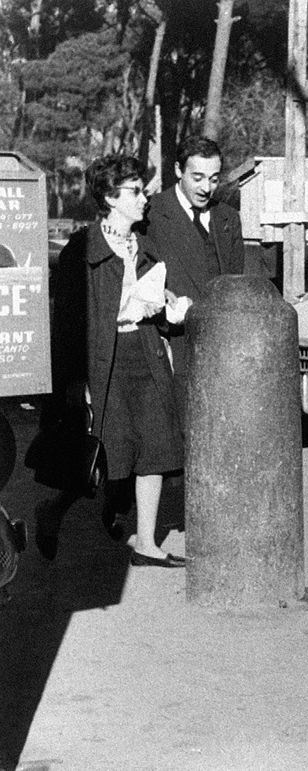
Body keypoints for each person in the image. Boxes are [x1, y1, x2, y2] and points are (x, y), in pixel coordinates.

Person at [36, 154, 186, 568]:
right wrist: (71, 378)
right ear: (109, 197)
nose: (144, 198)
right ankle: (53, 509)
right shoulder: (82, 250)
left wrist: (166, 300)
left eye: (142, 189)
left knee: (156, 445)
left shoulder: (148, 242)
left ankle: (147, 542)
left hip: (147, 352)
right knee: (103, 455)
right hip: (104, 359)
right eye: (135, 192)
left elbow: (156, 289)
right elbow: (66, 322)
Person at [141, 135, 244, 404]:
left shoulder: (228, 218)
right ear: (178, 171)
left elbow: (235, 282)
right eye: (197, 177)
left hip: (221, 344)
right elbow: (137, 274)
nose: (206, 188)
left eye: (213, 179)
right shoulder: (151, 214)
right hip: (175, 345)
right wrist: (158, 293)